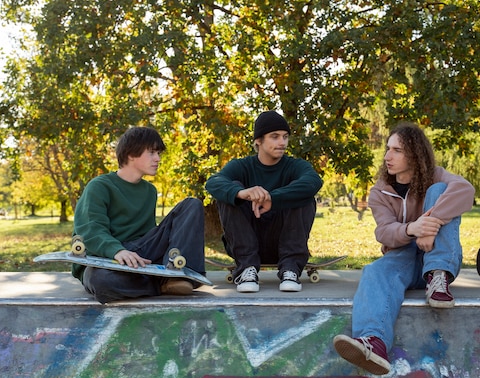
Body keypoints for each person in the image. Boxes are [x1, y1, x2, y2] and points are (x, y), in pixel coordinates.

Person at [333, 122, 475, 375]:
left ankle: (438, 276)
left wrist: (431, 225)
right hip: (405, 258)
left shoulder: (436, 175)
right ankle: (373, 343)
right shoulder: (380, 191)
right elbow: (384, 231)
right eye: (388, 149)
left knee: (440, 191)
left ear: (415, 153)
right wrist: (413, 229)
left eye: (397, 150)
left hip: (439, 253)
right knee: (374, 271)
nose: (388, 156)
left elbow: (465, 191)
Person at [72, 126, 206, 304]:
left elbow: (149, 234)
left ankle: (178, 273)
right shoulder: (100, 186)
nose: (157, 159)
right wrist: (117, 250)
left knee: (192, 204)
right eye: (151, 152)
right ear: (131, 154)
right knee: (101, 280)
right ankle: (163, 284)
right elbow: (90, 230)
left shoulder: (150, 191)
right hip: (106, 259)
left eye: (158, 153)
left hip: (140, 254)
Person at [205, 110, 323, 293]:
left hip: (284, 241)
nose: (282, 142)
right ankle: (246, 270)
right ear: (258, 141)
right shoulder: (242, 166)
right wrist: (242, 193)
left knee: (304, 193)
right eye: (274, 137)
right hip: (246, 241)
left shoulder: (295, 166)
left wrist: (272, 198)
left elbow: (314, 181)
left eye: (285, 137)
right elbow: (213, 183)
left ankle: (291, 268)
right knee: (230, 192)